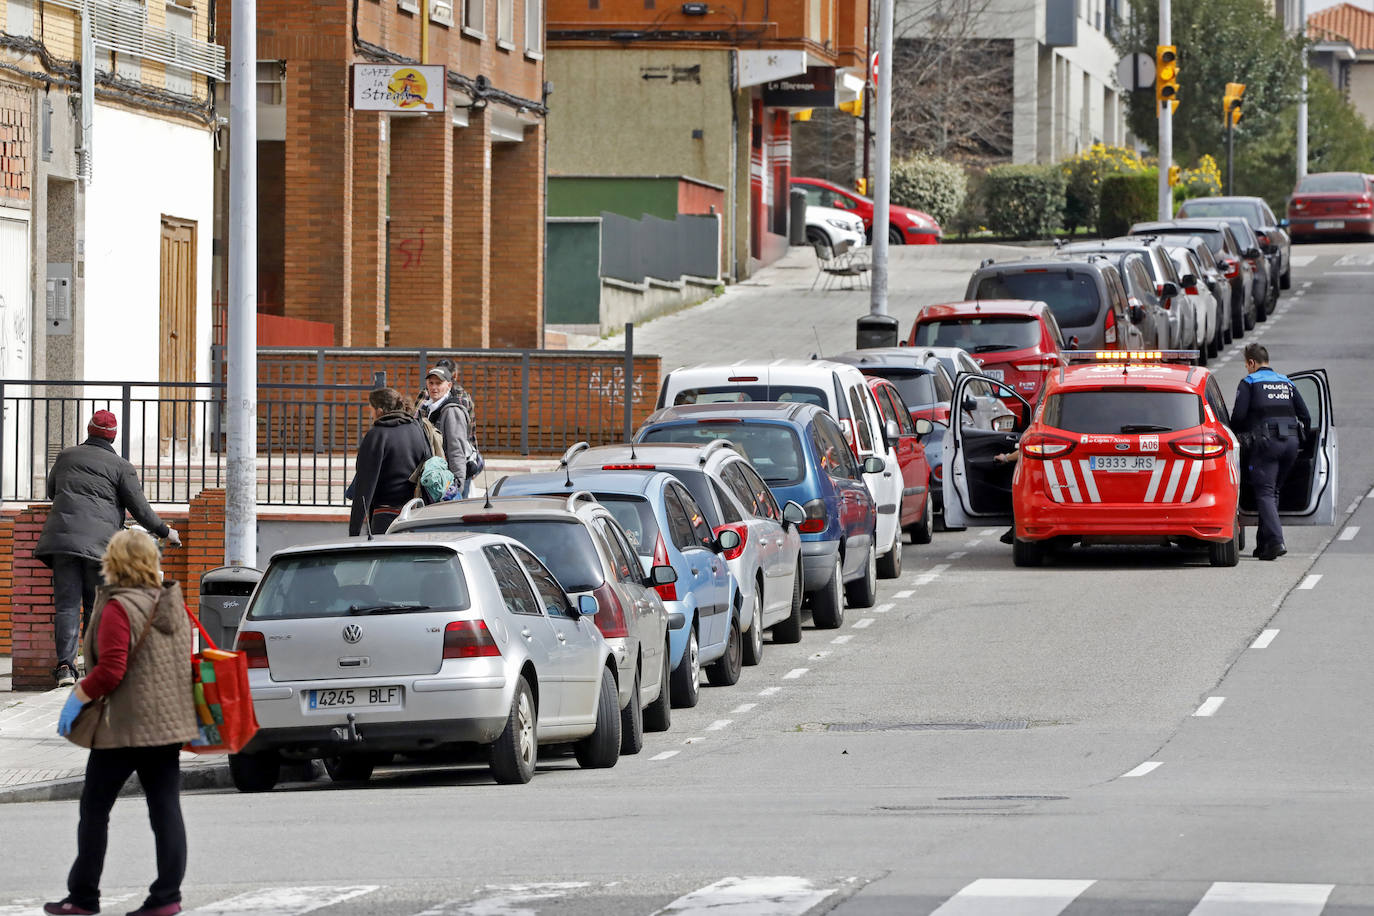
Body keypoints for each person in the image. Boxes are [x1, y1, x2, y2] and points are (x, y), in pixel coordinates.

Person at [46, 529, 198, 916]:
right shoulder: (172, 603)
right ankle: (167, 898)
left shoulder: (119, 606)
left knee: (94, 810)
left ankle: (83, 897)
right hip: (167, 726)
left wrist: (77, 697)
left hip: (125, 726)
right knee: (165, 810)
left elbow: (112, 670)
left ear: (114, 561)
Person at [36, 410, 180, 688]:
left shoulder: (66, 456)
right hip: (100, 547)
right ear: (113, 437)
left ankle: (65, 668)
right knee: (96, 606)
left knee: (67, 606)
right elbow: (141, 510)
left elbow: (53, 491)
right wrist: (167, 532)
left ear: (89, 430)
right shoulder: (121, 466)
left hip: (63, 543)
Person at [1231, 343, 1310, 561]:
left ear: (1251, 363)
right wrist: (1303, 440)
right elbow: (1305, 415)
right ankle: (1264, 545)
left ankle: (1276, 541)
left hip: (1266, 444)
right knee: (1272, 492)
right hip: (1291, 443)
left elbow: (1238, 417)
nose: (1247, 369)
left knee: (1265, 492)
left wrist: (1238, 437)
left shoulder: (1249, 382)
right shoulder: (1286, 382)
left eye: (1246, 365)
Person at [349, 387, 432, 536]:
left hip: (385, 515)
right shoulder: (416, 429)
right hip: (413, 511)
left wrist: (354, 530)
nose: (371, 414)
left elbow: (365, 485)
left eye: (371, 410)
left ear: (379, 411)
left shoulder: (376, 435)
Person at [418, 365, 473, 497]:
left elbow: (456, 450)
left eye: (438, 383)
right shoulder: (428, 407)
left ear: (449, 385)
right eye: (431, 383)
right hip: (436, 478)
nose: (434, 387)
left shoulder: (451, 411)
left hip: (447, 482)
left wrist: (458, 485)